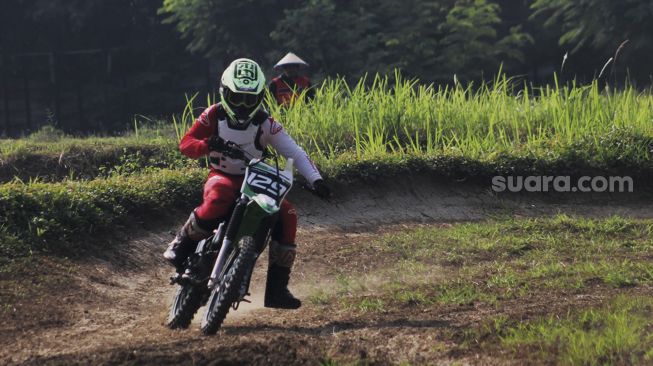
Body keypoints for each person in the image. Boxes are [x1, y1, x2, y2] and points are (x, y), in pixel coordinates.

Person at [163, 58, 330, 309]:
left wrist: (317, 180)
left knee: (288, 214)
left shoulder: (266, 123)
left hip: (255, 180)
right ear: (225, 92)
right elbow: (186, 143)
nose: (242, 106)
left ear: (260, 97)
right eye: (237, 97)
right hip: (222, 175)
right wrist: (207, 145)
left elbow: (295, 152)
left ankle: (277, 290)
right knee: (219, 196)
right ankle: (181, 244)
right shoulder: (214, 114)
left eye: (249, 100)